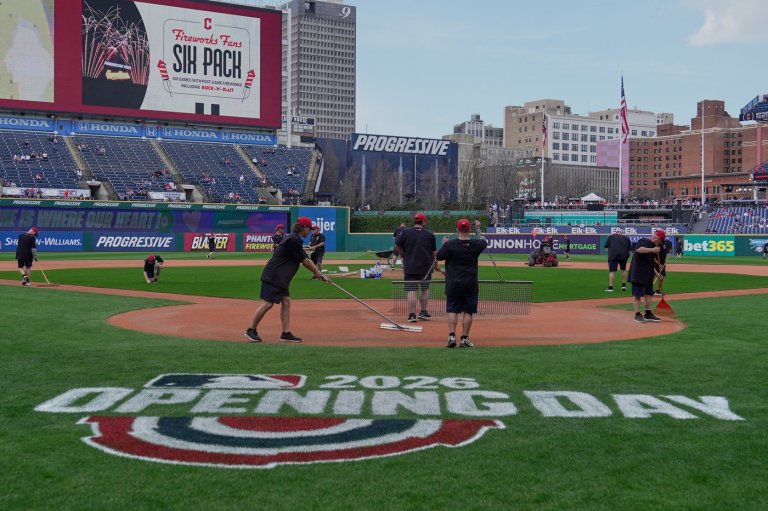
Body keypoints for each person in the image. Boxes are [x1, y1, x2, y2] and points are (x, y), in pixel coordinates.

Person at [245, 217, 330, 343]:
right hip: (274, 276)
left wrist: (318, 273)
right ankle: (251, 330)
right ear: (304, 228)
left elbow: (306, 258)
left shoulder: (294, 239)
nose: (310, 232)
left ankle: (286, 333)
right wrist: (318, 273)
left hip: (281, 278)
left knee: (286, 302)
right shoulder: (294, 240)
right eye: (309, 229)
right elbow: (305, 261)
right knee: (268, 304)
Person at [437, 218, 487, 348]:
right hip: (470, 283)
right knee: (468, 312)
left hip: (453, 283)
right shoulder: (476, 244)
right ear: (469, 229)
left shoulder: (450, 245)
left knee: (452, 310)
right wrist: (478, 229)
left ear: (457, 229)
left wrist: (444, 243)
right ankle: (464, 338)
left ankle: (451, 336)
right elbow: (484, 241)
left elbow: (438, 256)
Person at [395, 213, 438, 322]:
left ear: (415, 221)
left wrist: (402, 255)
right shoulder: (430, 234)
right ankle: (423, 312)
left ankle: (412, 315)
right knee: (425, 289)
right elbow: (434, 253)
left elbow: (397, 246)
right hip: (426, 267)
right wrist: (436, 265)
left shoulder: (405, 232)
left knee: (411, 290)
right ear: (423, 222)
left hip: (410, 265)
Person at [628, 230, 664, 323]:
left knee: (649, 294)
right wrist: (652, 250)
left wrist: (657, 274)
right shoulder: (644, 241)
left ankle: (648, 314)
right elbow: (639, 250)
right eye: (660, 241)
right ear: (657, 239)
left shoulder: (652, 246)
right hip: (638, 274)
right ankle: (637, 314)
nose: (659, 244)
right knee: (638, 295)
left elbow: (650, 263)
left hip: (647, 275)